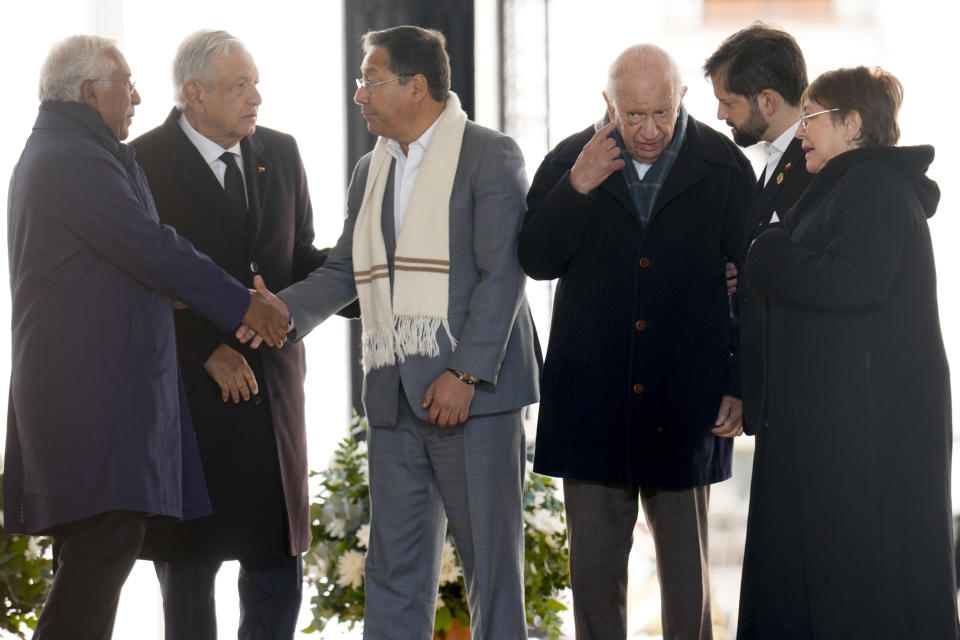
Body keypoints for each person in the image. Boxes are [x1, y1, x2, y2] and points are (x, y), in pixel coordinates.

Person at [257, 25, 540, 640]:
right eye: (361, 81)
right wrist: (278, 312)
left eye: (371, 80)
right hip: (393, 395)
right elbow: (343, 271)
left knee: (492, 574)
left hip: (475, 398)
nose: (360, 94)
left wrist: (464, 373)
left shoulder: (491, 155)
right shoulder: (370, 168)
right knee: (393, 572)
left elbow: (502, 275)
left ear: (416, 87)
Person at [4, 35, 289, 640]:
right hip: (91, 403)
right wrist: (243, 304)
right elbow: (152, 248)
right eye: (125, 83)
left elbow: (135, 259)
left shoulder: (85, 151)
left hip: (95, 400)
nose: (136, 96)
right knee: (96, 565)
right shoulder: (74, 158)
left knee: (96, 561)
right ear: (89, 93)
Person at [518, 44, 754, 639]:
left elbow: (754, 287)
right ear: (609, 105)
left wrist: (738, 382)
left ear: (681, 100)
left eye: (662, 114)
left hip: (686, 403)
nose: (648, 131)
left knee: (687, 585)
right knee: (594, 583)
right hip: (593, 401)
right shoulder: (570, 158)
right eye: (633, 116)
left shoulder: (723, 165)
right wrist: (577, 186)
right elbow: (535, 259)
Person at [130, 30, 351, 640]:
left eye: (254, 81)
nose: (257, 96)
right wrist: (204, 351)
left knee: (277, 573)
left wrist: (366, 273)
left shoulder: (279, 151)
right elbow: (133, 289)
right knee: (188, 578)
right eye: (239, 85)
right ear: (193, 94)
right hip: (190, 404)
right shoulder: (141, 163)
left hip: (273, 395)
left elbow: (297, 261)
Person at [738, 66, 958, 639]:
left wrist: (769, 251)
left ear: (853, 124)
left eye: (811, 118)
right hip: (840, 431)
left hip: (864, 438)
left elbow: (852, 282)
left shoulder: (875, 188)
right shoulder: (846, 186)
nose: (801, 130)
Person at [703, 23, 814, 436]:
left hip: (801, 402)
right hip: (774, 396)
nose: (719, 115)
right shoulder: (776, 161)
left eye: (727, 102)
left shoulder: (813, 165)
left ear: (767, 100)